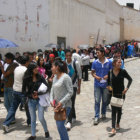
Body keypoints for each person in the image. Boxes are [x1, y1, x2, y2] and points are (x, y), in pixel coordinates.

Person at [2, 56, 31, 132]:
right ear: (26, 62)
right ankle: (30, 122)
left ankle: (6, 123)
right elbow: (27, 82)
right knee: (28, 108)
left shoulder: (16, 68)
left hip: (15, 90)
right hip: (22, 92)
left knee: (12, 108)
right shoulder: (26, 70)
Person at [22, 63, 50, 140]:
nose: (37, 69)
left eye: (37, 68)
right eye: (35, 68)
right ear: (31, 70)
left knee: (41, 118)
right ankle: (33, 135)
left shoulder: (40, 77)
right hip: (31, 101)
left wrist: (39, 94)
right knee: (33, 119)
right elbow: (23, 91)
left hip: (40, 100)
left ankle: (46, 131)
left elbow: (47, 88)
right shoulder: (26, 79)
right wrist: (31, 95)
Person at [107, 57, 132, 136]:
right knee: (113, 111)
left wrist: (126, 88)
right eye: (118, 62)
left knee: (119, 110)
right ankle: (113, 128)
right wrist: (109, 87)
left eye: (121, 63)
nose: (120, 64)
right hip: (113, 94)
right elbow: (108, 83)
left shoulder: (123, 71)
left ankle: (118, 123)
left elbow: (130, 79)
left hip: (121, 94)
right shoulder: (110, 72)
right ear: (114, 63)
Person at [50, 60, 73, 140]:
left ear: (57, 67)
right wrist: (51, 100)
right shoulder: (55, 77)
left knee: (60, 125)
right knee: (59, 126)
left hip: (65, 106)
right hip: (57, 106)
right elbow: (52, 90)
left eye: (52, 66)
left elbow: (70, 92)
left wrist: (61, 102)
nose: (51, 68)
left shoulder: (66, 77)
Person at [91, 47, 112, 125]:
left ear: (103, 53)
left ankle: (103, 114)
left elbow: (112, 71)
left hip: (106, 85)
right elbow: (92, 72)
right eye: (96, 53)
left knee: (105, 100)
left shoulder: (109, 62)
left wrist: (108, 75)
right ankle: (96, 116)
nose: (97, 54)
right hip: (97, 84)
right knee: (97, 101)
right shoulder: (95, 62)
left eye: (98, 52)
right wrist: (96, 77)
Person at [65, 50, 82, 130]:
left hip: (74, 85)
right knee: (68, 102)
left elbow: (79, 75)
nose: (68, 57)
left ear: (71, 56)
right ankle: (73, 116)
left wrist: (79, 87)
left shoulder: (76, 63)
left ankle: (69, 121)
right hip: (66, 86)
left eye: (69, 56)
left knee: (71, 102)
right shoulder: (64, 63)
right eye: (67, 56)